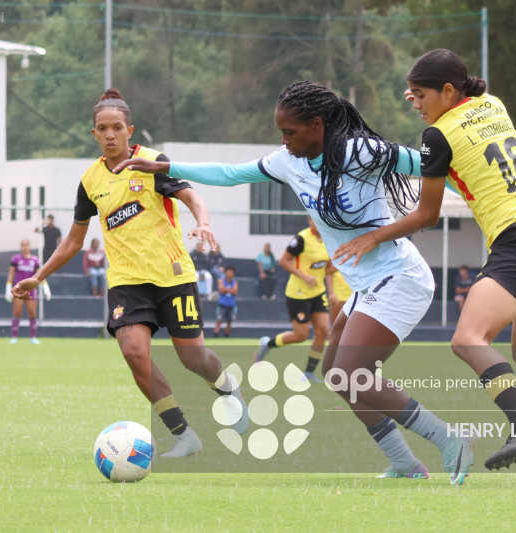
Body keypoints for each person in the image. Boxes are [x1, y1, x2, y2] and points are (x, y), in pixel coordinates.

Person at [115, 80, 474, 485]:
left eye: (290, 132)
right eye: (280, 133)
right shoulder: (289, 162)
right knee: (339, 375)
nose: (283, 142)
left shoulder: (360, 151)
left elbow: (433, 161)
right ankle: (405, 464)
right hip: (366, 287)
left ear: (317, 126)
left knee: (355, 372)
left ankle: (448, 438)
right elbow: (231, 174)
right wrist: (167, 168)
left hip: (400, 278)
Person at [333, 49, 516, 484]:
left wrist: (373, 235)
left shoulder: (437, 135)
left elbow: (426, 215)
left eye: (418, 93)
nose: (411, 99)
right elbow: (466, 160)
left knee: (468, 339)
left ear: (448, 91)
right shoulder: (494, 105)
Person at [12, 88, 248, 458]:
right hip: (126, 282)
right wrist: (38, 277)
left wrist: (203, 223)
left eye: (117, 128)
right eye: (102, 129)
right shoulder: (90, 181)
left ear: (129, 130)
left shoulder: (152, 163)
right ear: (94, 133)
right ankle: (183, 433)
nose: (109, 134)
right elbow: (74, 242)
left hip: (173, 276)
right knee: (134, 352)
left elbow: (192, 197)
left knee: (193, 359)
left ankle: (227, 389)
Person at [255, 217, 332, 384]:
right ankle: (267, 344)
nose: (319, 220)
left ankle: (309, 372)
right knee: (301, 335)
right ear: (310, 219)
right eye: (315, 217)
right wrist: (304, 276)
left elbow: (328, 266)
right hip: (298, 294)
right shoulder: (301, 239)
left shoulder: (330, 237)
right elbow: (283, 261)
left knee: (322, 331)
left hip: (318, 292)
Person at [5, 239, 50, 344]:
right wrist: (8, 287)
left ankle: (33, 337)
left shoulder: (35, 260)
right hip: (19, 290)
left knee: (32, 313)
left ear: (29, 246)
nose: (24, 247)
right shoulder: (16, 259)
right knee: (17, 312)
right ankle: (14, 337)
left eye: (26, 245)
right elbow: (11, 273)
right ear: (21, 247)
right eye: (23, 245)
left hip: (31, 290)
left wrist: (45, 287)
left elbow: (40, 275)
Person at [214, 266, 238, 337]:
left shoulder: (234, 282)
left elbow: (235, 291)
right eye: (228, 272)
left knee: (229, 322)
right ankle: (215, 335)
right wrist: (230, 290)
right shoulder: (221, 280)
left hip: (231, 305)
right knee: (219, 321)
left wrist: (226, 289)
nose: (230, 274)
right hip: (222, 305)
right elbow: (221, 290)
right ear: (225, 272)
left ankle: (226, 335)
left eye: (232, 272)